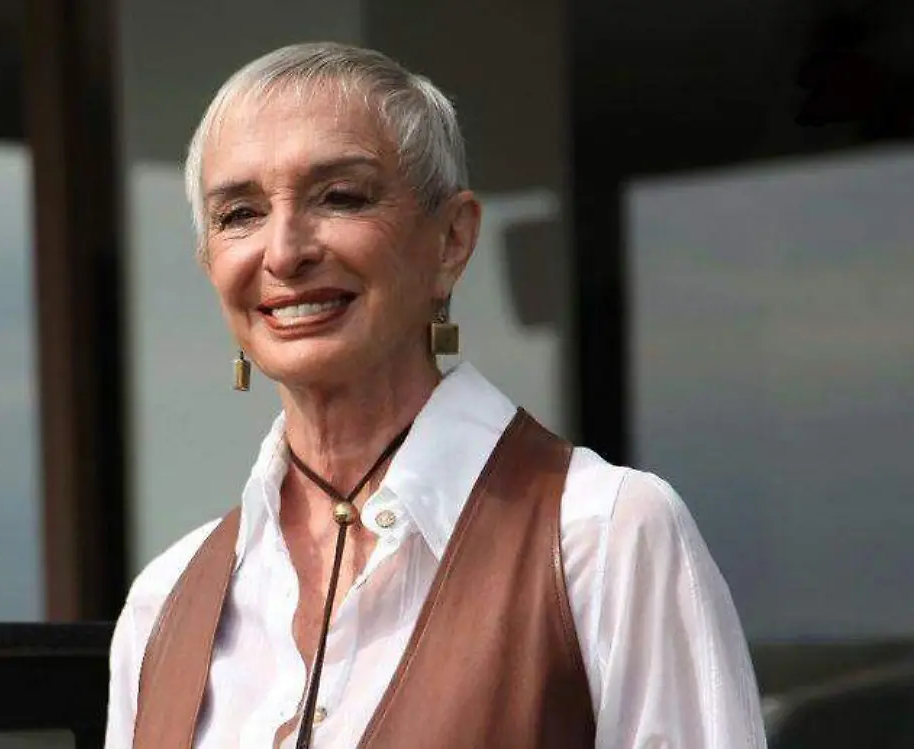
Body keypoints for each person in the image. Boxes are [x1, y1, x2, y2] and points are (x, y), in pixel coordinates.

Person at [105, 41, 767, 748]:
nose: (285, 251)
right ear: (210, 262)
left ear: (452, 239)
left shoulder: (607, 536)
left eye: (340, 197)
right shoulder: (163, 603)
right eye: (240, 213)